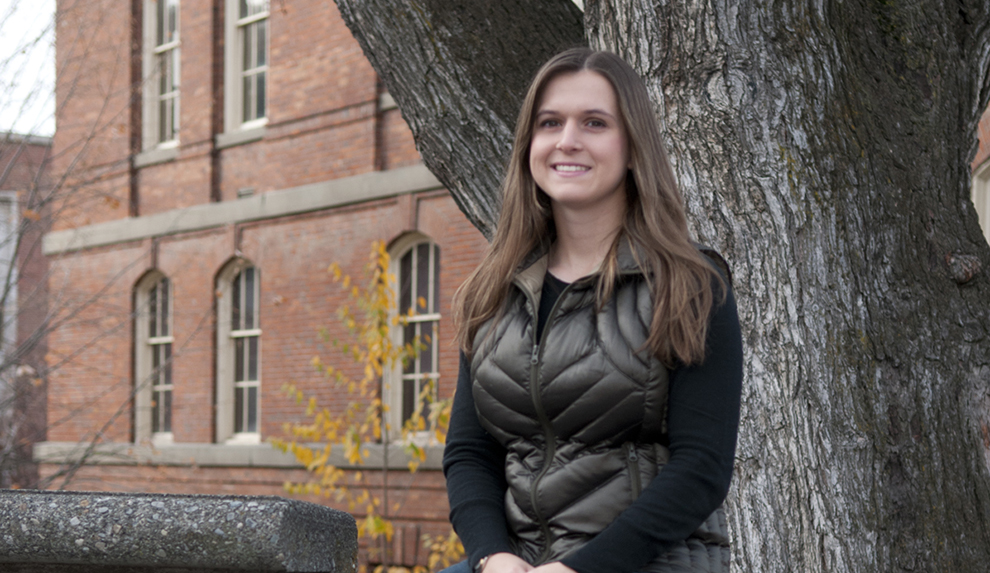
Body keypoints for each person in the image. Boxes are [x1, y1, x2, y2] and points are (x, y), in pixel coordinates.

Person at [443, 48, 743, 573]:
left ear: (632, 148)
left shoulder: (690, 284)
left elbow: (702, 468)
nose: (567, 140)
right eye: (550, 123)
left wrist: (581, 569)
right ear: (529, 146)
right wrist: (493, 558)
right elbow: (470, 453)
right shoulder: (492, 292)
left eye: (595, 123)